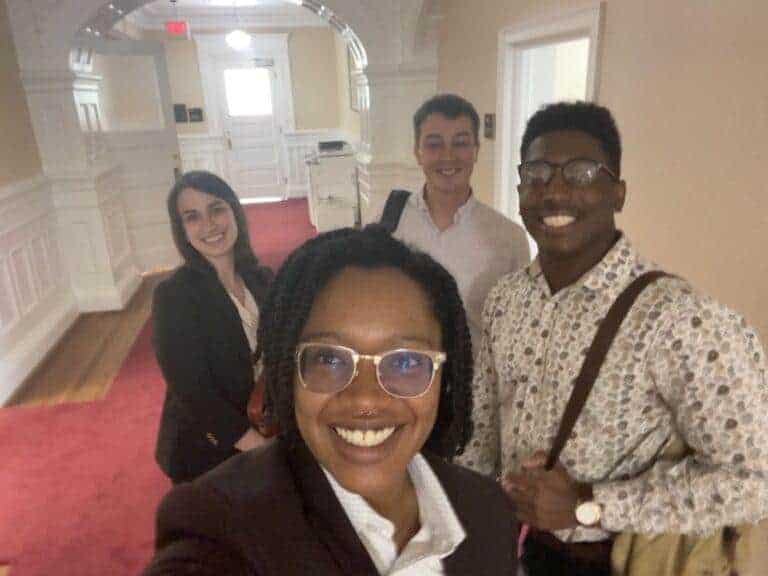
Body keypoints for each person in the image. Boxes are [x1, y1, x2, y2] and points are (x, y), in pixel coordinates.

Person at [457, 102, 768, 575]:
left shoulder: (682, 319)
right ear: (520, 190)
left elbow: (753, 482)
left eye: (581, 173)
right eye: (537, 173)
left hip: (617, 561)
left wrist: (589, 504)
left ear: (617, 193)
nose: (554, 190)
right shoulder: (506, 300)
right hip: (513, 548)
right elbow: (482, 435)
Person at [143, 226, 519, 575]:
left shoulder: (488, 510)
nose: (365, 399)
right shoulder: (219, 523)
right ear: (288, 372)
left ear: (444, 378)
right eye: (328, 358)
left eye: (406, 362)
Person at [372, 93, 530, 352]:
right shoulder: (387, 220)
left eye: (460, 143)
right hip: (401, 369)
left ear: (476, 150)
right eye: (434, 144)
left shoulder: (509, 239)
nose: (448, 156)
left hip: (472, 373)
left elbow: (515, 330)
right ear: (418, 153)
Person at [153, 170, 273, 484]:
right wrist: (260, 448)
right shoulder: (174, 296)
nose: (209, 225)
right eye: (192, 217)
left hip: (266, 422)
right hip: (209, 447)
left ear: (234, 212)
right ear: (182, 230)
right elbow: (193, 392)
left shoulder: (262, 279)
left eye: (216, 209)